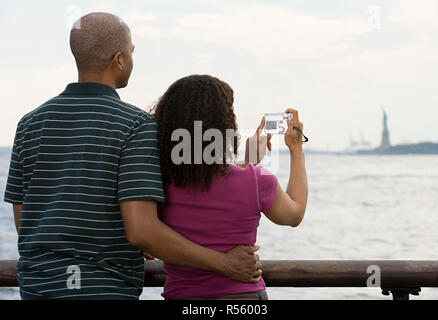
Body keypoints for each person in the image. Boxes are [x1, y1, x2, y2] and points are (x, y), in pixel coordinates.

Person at [3, 13, 261, 300]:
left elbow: (25, 222)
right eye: (131, 52)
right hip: (101, 289)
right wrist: (225, 263)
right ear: (119, 60)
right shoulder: (134, 125)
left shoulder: (29, 123)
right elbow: (141, 231)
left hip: (38, 287)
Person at [152, 75, 308, 299]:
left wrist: (248, 162)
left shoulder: (158, 182)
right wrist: (296, 149)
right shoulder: (256, 182)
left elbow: (205, 180)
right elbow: (294, 214)